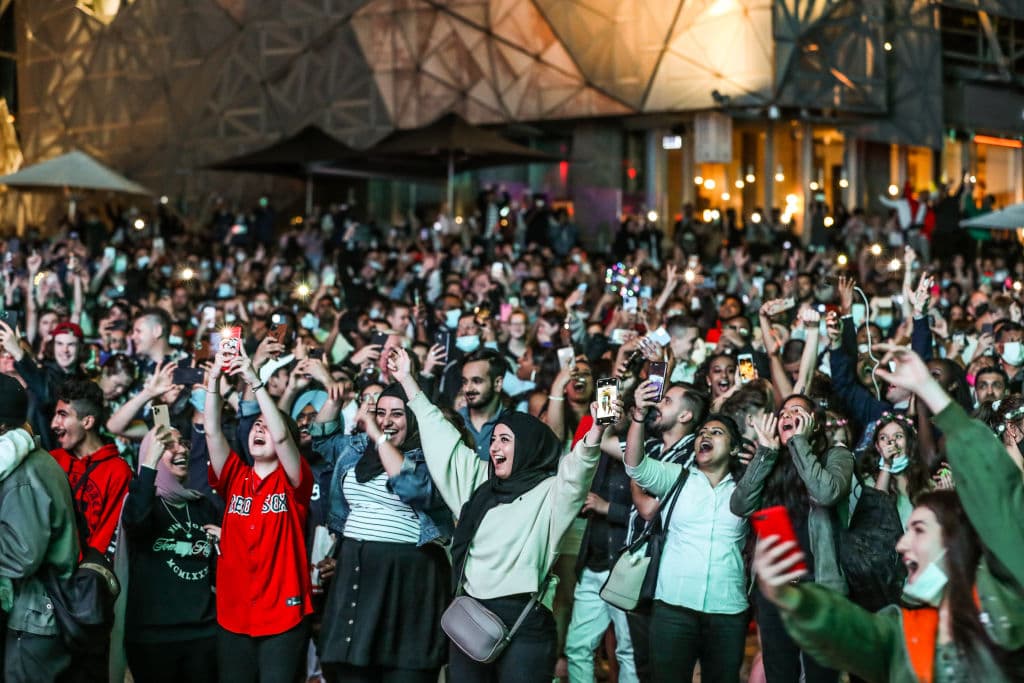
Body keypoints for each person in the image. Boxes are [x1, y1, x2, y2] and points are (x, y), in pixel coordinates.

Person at [388, 346, 619, 682]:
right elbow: (440, 434)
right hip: (471, 614)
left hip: (524, 620)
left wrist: (596, 430)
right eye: (493, 439)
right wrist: (407, 379)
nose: (495, 447)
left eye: (506, 440)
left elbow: (579, 468)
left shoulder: (552, 493)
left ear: (527, 447)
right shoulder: (478, 480)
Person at [310, 380, 453, 682]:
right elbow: (321, 438)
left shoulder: (430, 455)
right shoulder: (356, 451)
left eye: (397, 414)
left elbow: (413, 488)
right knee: (352, 669)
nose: (387, 420)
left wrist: (376, 435)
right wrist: (333, 399)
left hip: (407, 578)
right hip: (356, 572)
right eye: (381, 412)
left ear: (413, 418)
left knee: (403, 670)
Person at [625, 379, 750, 683]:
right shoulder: (677, 477)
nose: (705, 436)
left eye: (716, 433)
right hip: (673, 608)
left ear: (734, 448)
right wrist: (639, 418)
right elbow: (636, 466)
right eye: (703, 433)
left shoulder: (745, 490)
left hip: (728, 609)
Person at [204, 344, 314, 683]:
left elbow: (282, 436)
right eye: (255, 426)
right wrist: (212, 384)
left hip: (283, 614)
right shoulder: (235, 475)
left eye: (267, 426)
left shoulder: (294, 481)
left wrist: (255, 381)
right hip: (234, 614)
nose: (260, 430)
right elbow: (211, 432)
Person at [731, 393, 854, 683]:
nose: (787, 416)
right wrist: (765, 453)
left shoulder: (836, 456)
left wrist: (799, 442)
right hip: (776, 588)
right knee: (780, 674)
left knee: (821, 677)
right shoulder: (770, 460)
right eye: (783, 412)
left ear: (814, 423)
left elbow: (826, 493)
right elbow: (740, 505)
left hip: (820, 588)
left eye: (797, 411)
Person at [121, 425, 219, 683]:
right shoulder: (142, 502)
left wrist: (227, 543)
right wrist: (150, 464)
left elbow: (218, 573)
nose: (182, 450)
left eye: (183, 443)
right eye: (169, 445)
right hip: (153, 638)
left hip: (203, 633)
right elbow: (136, 523)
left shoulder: (203, 506)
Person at [0, 373, 79, 683]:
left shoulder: (23, 474)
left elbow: (22, 555)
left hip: (35, 618)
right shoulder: (29, 458)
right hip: (34, 614)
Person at [49, 379, 132, 555]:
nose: (54, 424)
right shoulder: (53, 459)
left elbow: (108, 537)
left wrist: (85, 575)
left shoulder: (118, 471)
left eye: (62, 415)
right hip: (49, 574)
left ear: (87, 422)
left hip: (86, 576)